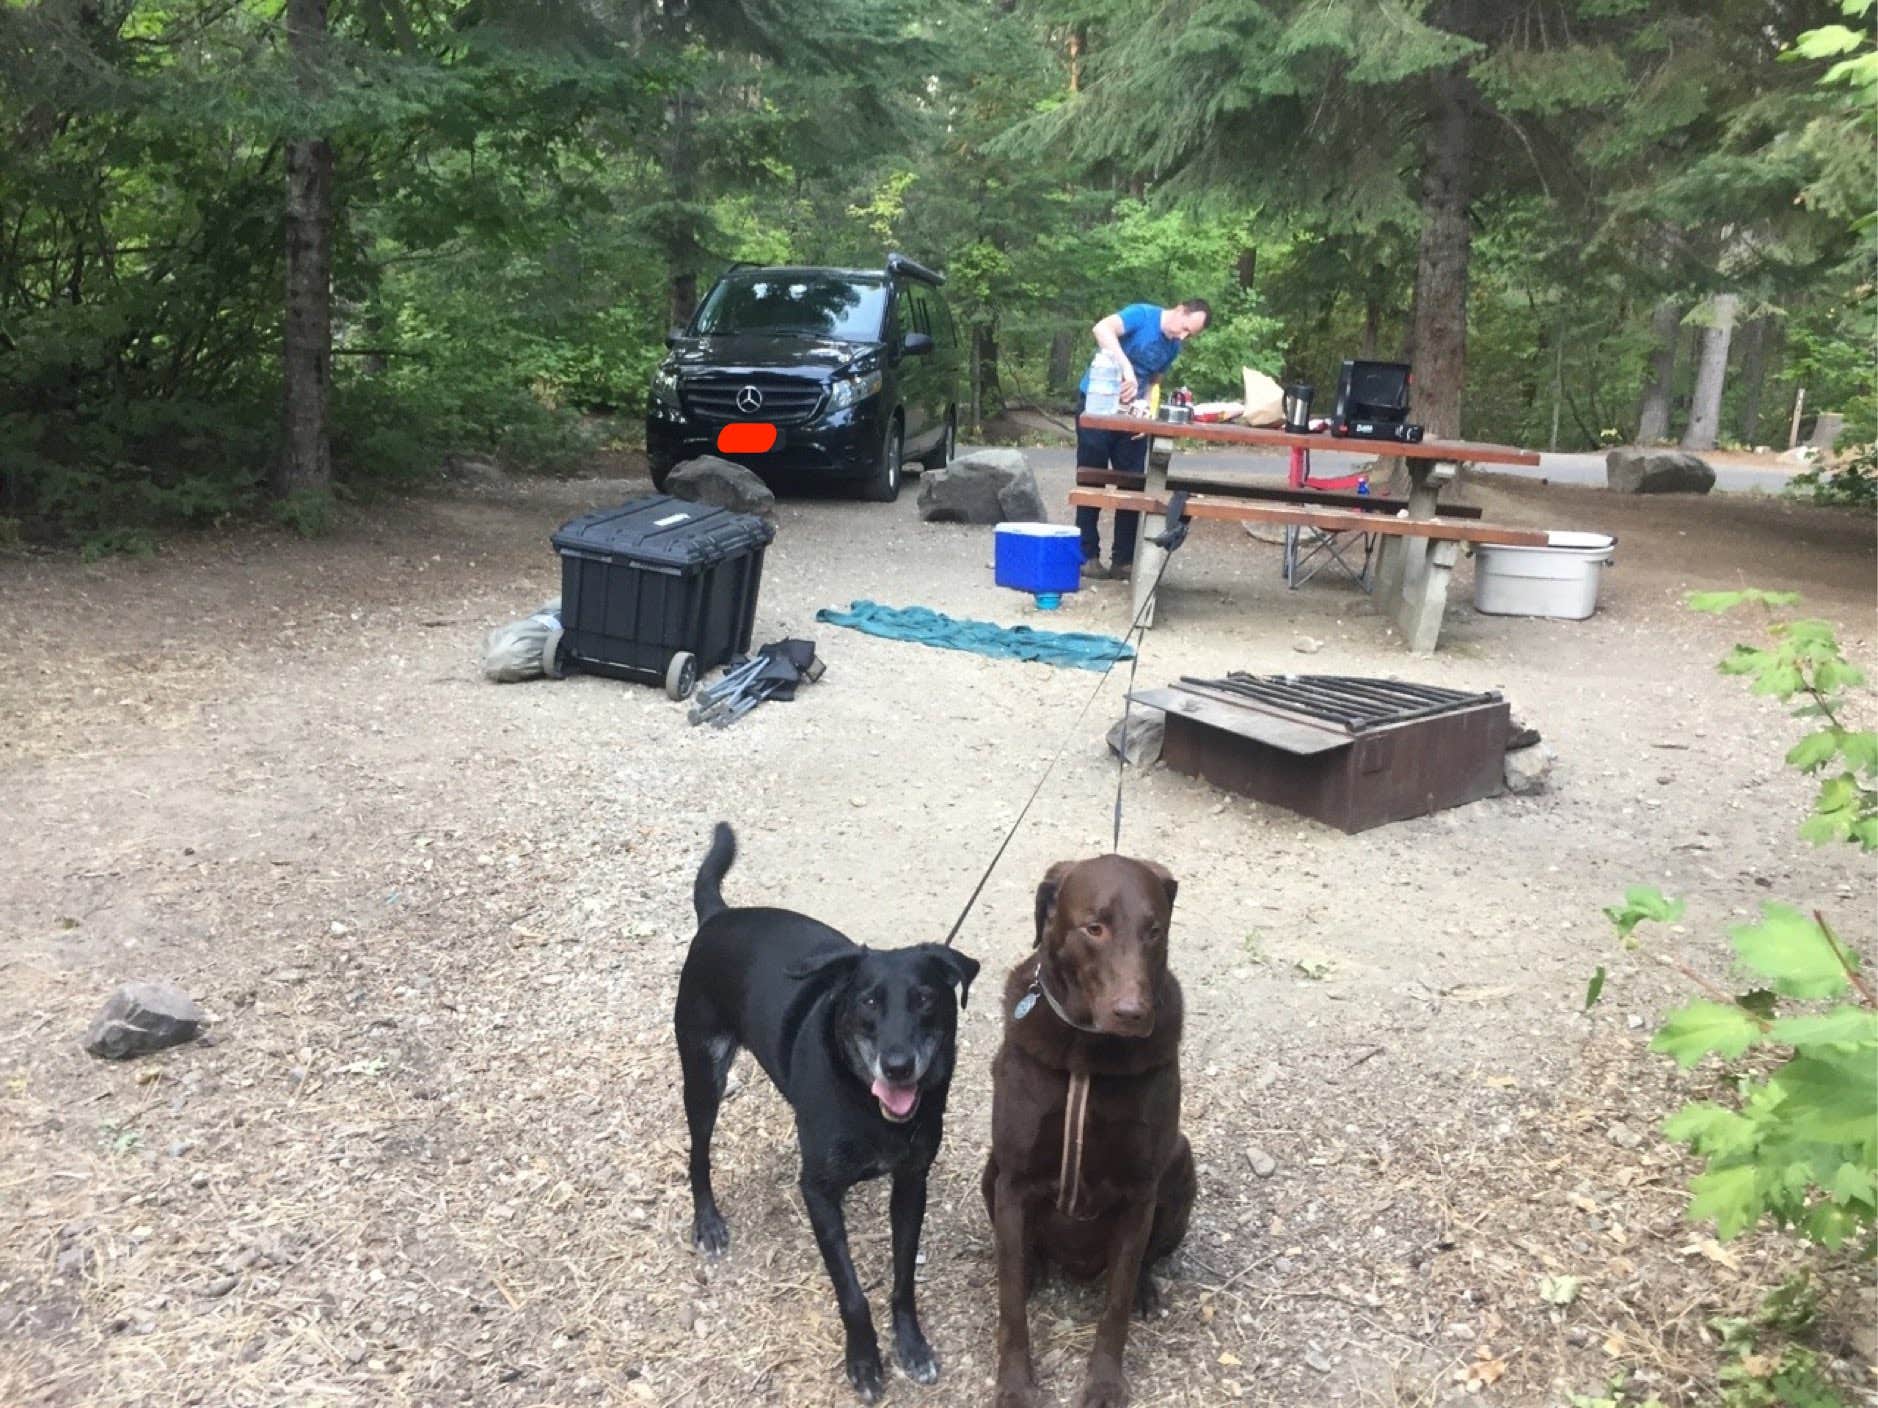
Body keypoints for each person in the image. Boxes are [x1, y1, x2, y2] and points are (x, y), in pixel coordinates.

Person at [1074, 299, 1211, 580]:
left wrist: (1146, 413)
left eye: (1190, 334)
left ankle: (1123, 560)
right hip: (1097, 406)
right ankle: (1086, 555)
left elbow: (1153, 382)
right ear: (1180, 310)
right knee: (1091, 480)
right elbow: (1102, 329)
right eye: (1185, 328)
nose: (1183, 336)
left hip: (1131, 417)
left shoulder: (1172, 346)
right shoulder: (1142, 315)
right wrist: (1126, 368)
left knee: (1133, 484)